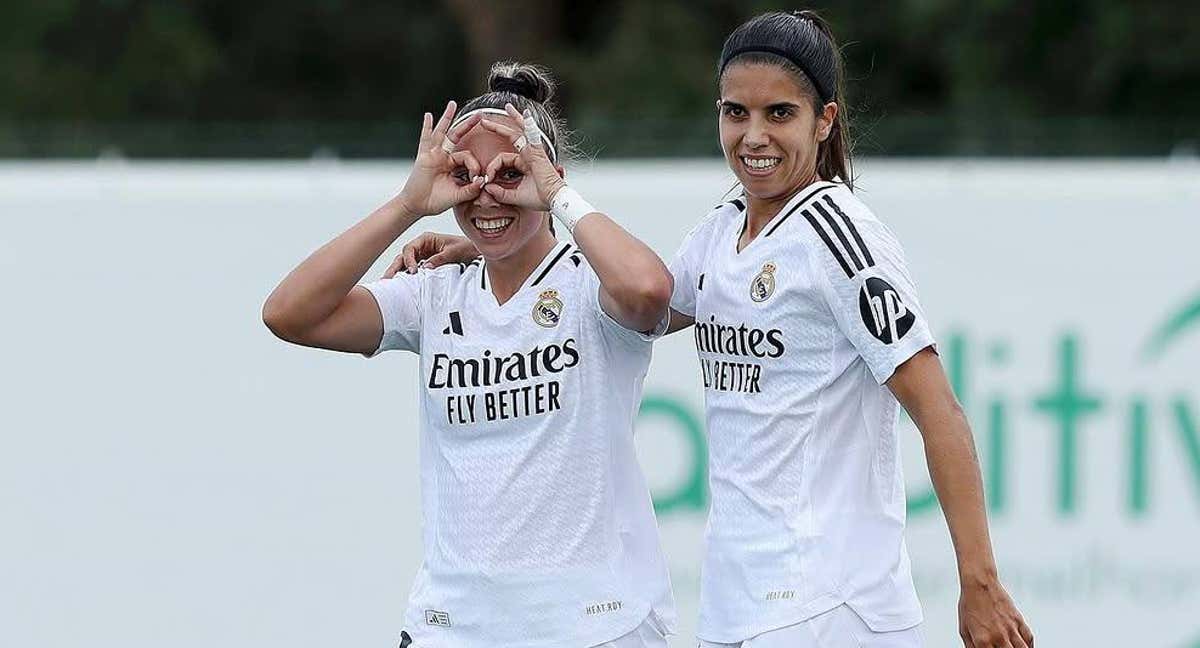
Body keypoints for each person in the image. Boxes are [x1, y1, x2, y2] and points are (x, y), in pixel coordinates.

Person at [395, 12, 1034, 648]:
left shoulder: (841, 237)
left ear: (826, 121)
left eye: (779, 114)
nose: (754, 136)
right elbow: (635, 298)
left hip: (831, 603)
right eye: (736, 113)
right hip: (741, 607)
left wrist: (978, 582)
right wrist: (486, 249)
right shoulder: (723, 229)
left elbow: (939, 411)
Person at [262, 62, 676, 648]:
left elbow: (650, 290)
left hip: (591, 628)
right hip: (451, 628)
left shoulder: (593, 283)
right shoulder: (436, 289)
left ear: (547, 172)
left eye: (511, 173)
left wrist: (556, 196)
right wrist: (408, 205)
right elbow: (289, 313)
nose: (487, 193)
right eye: (465, 174)